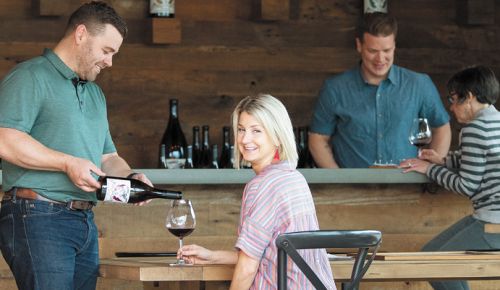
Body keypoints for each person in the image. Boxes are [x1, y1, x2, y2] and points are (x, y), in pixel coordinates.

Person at [0, 2, 153, 289]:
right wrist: (67, 163)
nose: (110, 62)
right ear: (81, 34)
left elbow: (109, 157)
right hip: (38, 215)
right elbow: (4, 139)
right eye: (107, 51)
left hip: (83, 220)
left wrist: (131, 177)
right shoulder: (29, 77)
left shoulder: (95, 94)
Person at [178, 94, 336, 289]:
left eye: (256, 131)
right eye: (241, 130)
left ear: (277, 136)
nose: (245, 139)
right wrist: (212, 257)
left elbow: (248, 267)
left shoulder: (263, 186)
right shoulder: (295, 179)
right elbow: (264, 254)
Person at [309, 12, 451, 168]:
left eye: (387, 50)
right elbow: (318, 140)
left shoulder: (419, 84)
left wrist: (431, 170)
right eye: (373, 51)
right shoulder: (335, 88)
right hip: (353, 188)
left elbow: (442, 129)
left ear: (394, 45)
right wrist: (339, 182)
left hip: (409, 186)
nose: (380, 59)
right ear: (359, 45)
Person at [401, 65, 500, 290]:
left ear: (470, 97)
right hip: (490, 220)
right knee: (430, 256)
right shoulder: (496, 121)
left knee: (434, 264)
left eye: (454, 100)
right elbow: (483, 159)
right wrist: (442, 160)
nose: (452, 108)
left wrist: (428, 169)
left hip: (493, 223)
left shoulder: (475, 128)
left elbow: (466, 185)